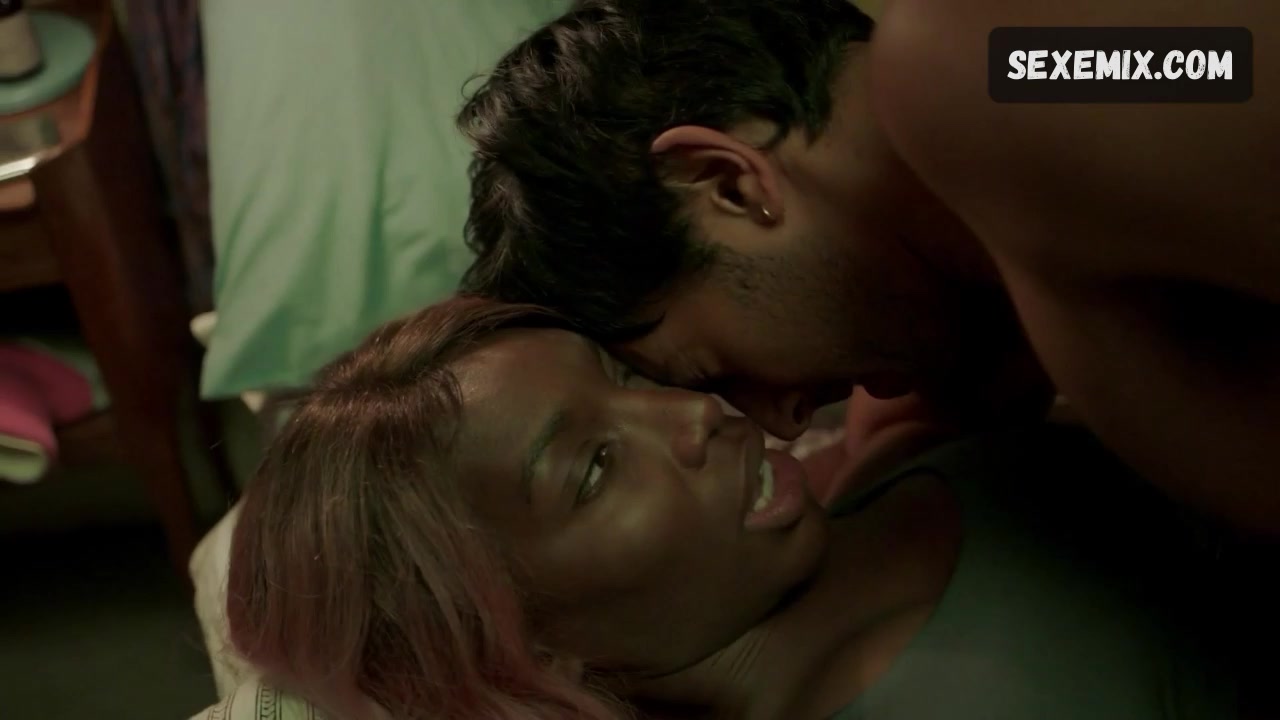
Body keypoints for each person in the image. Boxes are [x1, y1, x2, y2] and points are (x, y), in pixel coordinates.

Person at [455, 0, 1280, 535]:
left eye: (716, 372)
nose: (781, 421)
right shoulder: (969, 282)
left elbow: (1224, 64)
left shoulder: (980, 67)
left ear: (728, 184)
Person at [225, 297, 1256, 720]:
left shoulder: (870, 485)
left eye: (619, 377)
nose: (689, 416)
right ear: (529, 651)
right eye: (594, 470)